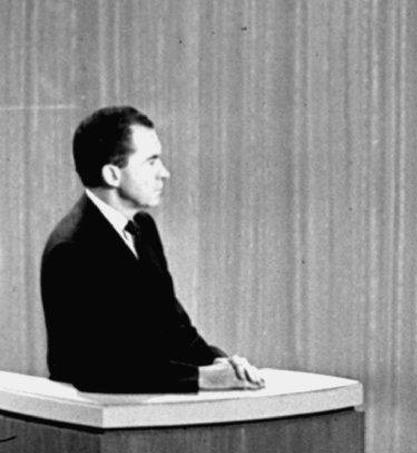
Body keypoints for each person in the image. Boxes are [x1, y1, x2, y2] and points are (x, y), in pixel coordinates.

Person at [41, 106, 265, 392]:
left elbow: (172, 326)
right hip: (100, 421)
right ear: (112, 175)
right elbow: (93, 366)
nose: (165, 173)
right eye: (151, 161)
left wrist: (221, 364)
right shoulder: (71, 248)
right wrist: (203, 378)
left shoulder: (142, 226)